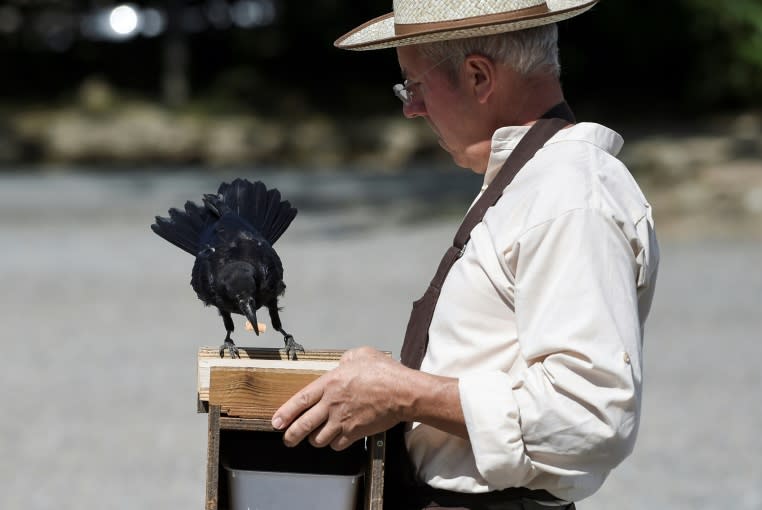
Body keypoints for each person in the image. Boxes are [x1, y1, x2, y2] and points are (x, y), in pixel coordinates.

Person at [271, 1, 660, 509]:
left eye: (414, 86)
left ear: (478, 77)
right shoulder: (536, 180)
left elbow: (590, 419)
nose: (411, 108)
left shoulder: (570, 195)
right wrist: (396, 384)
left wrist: (402, 394)